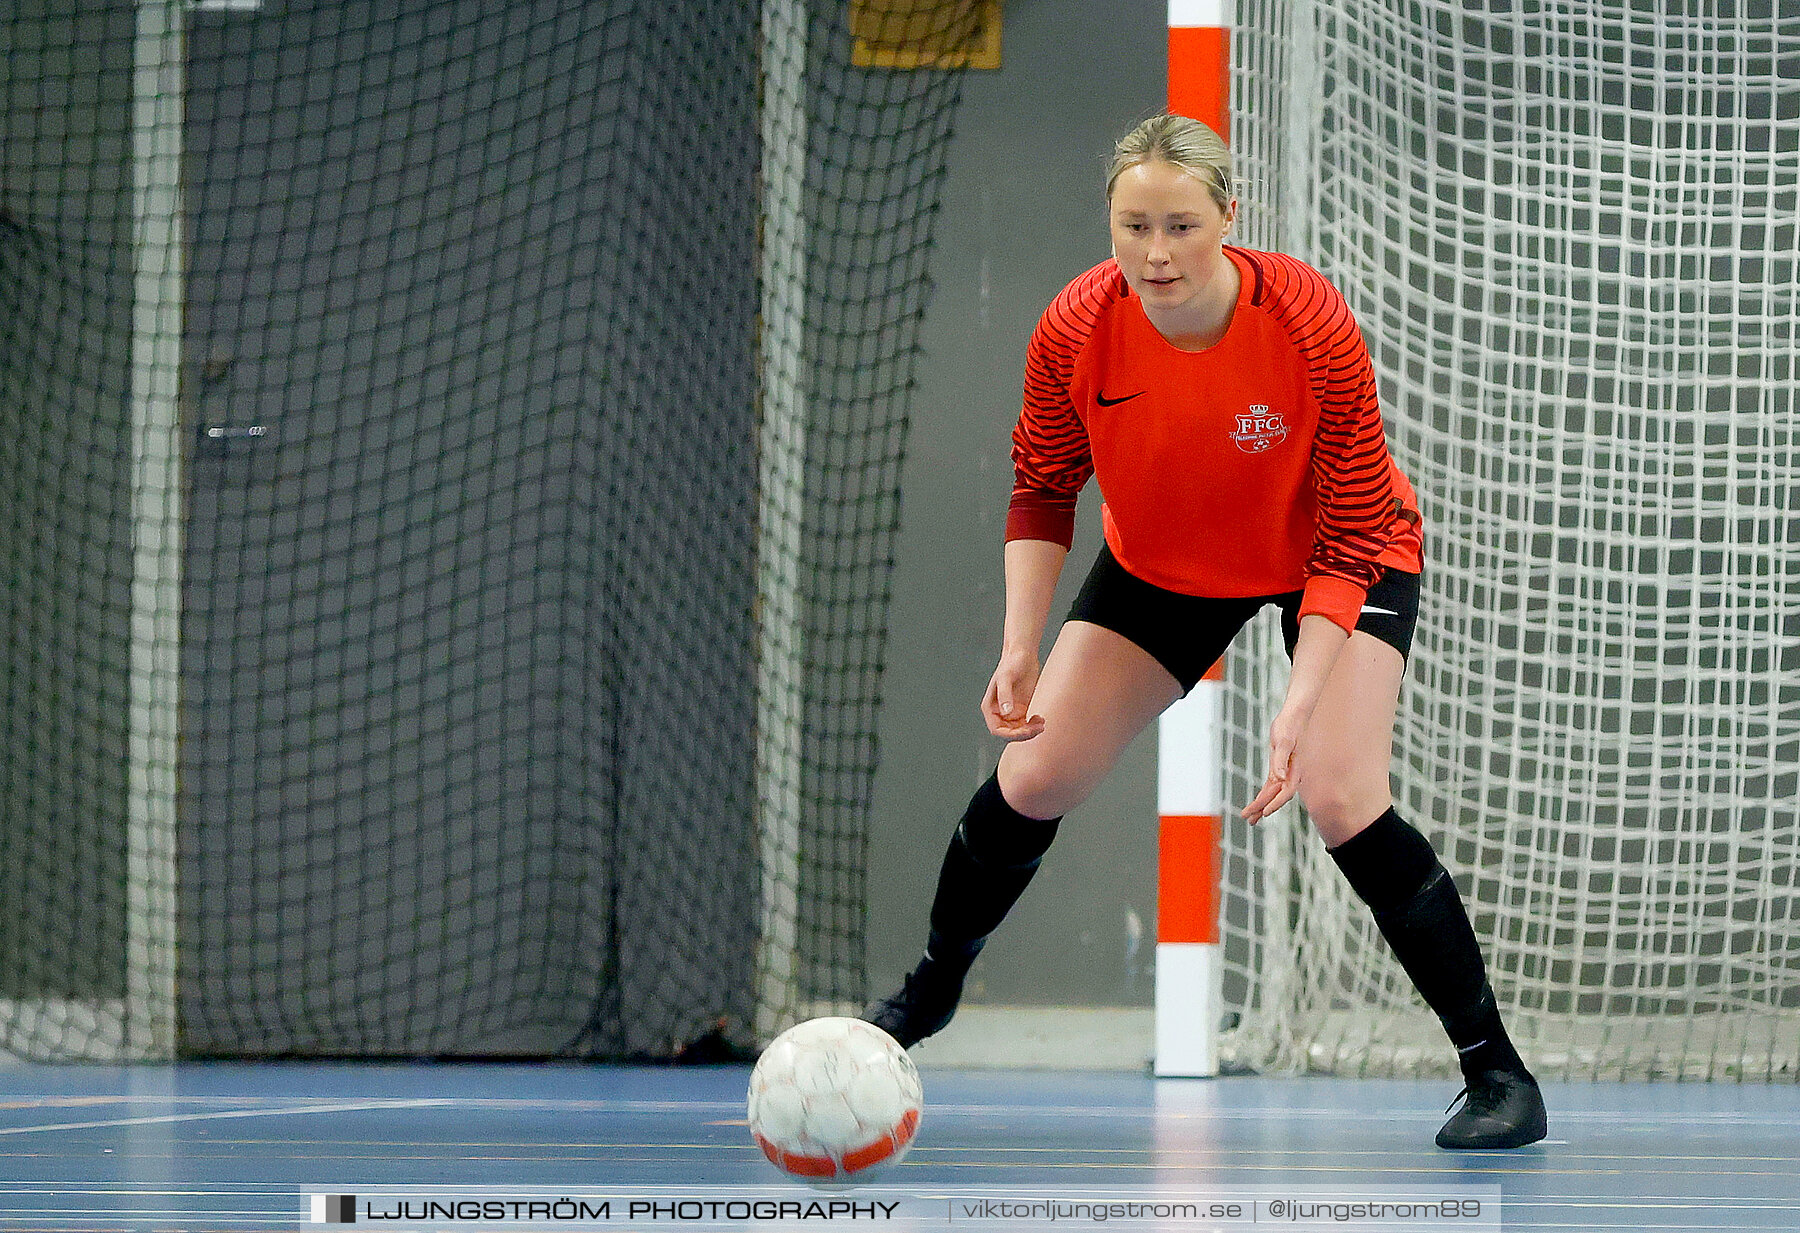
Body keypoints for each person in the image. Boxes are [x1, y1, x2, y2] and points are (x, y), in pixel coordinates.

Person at [864, 113, 1547, 1150]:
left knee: (1341, 792)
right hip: (1167, 565)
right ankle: (930, 991)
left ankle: (1497, 1074)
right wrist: (1020, 643)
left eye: (1182, 224)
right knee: (1035, 774)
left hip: (1338, 549)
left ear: (1230, 217)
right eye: (1134, 224)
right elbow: (1044, 489)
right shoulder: (1074, 329)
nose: (1157, 250)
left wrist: (1300, 704)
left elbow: (1357, 530)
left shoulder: (1305, 318)